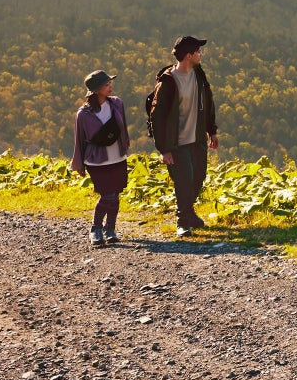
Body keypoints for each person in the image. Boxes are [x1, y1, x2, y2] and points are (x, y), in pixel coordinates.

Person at [146, 35, 218, 237]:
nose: (201, 54)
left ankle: (188, 213)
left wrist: (211, 130)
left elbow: (208, 103)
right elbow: (156, 117)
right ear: (189, 55)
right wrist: (164, 149)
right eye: (198, 52)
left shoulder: (199, 75)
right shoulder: (168, 82)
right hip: (177, 143)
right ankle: (182, 220)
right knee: (184, 180)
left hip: (197, 138)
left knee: (198, 177)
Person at [69, 69, 131, 248]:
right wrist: (78, 164)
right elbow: (79, 139)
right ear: (96, 89)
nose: (110, 86)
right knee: (108, 195)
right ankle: (96, 228)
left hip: (118, 157)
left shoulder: (117, 104)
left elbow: (123, 128)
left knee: (116, 194)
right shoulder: (84, 114)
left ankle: (110, 229)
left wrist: (125, 148)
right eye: (106, 84)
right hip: (96, 161)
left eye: (110, 83)